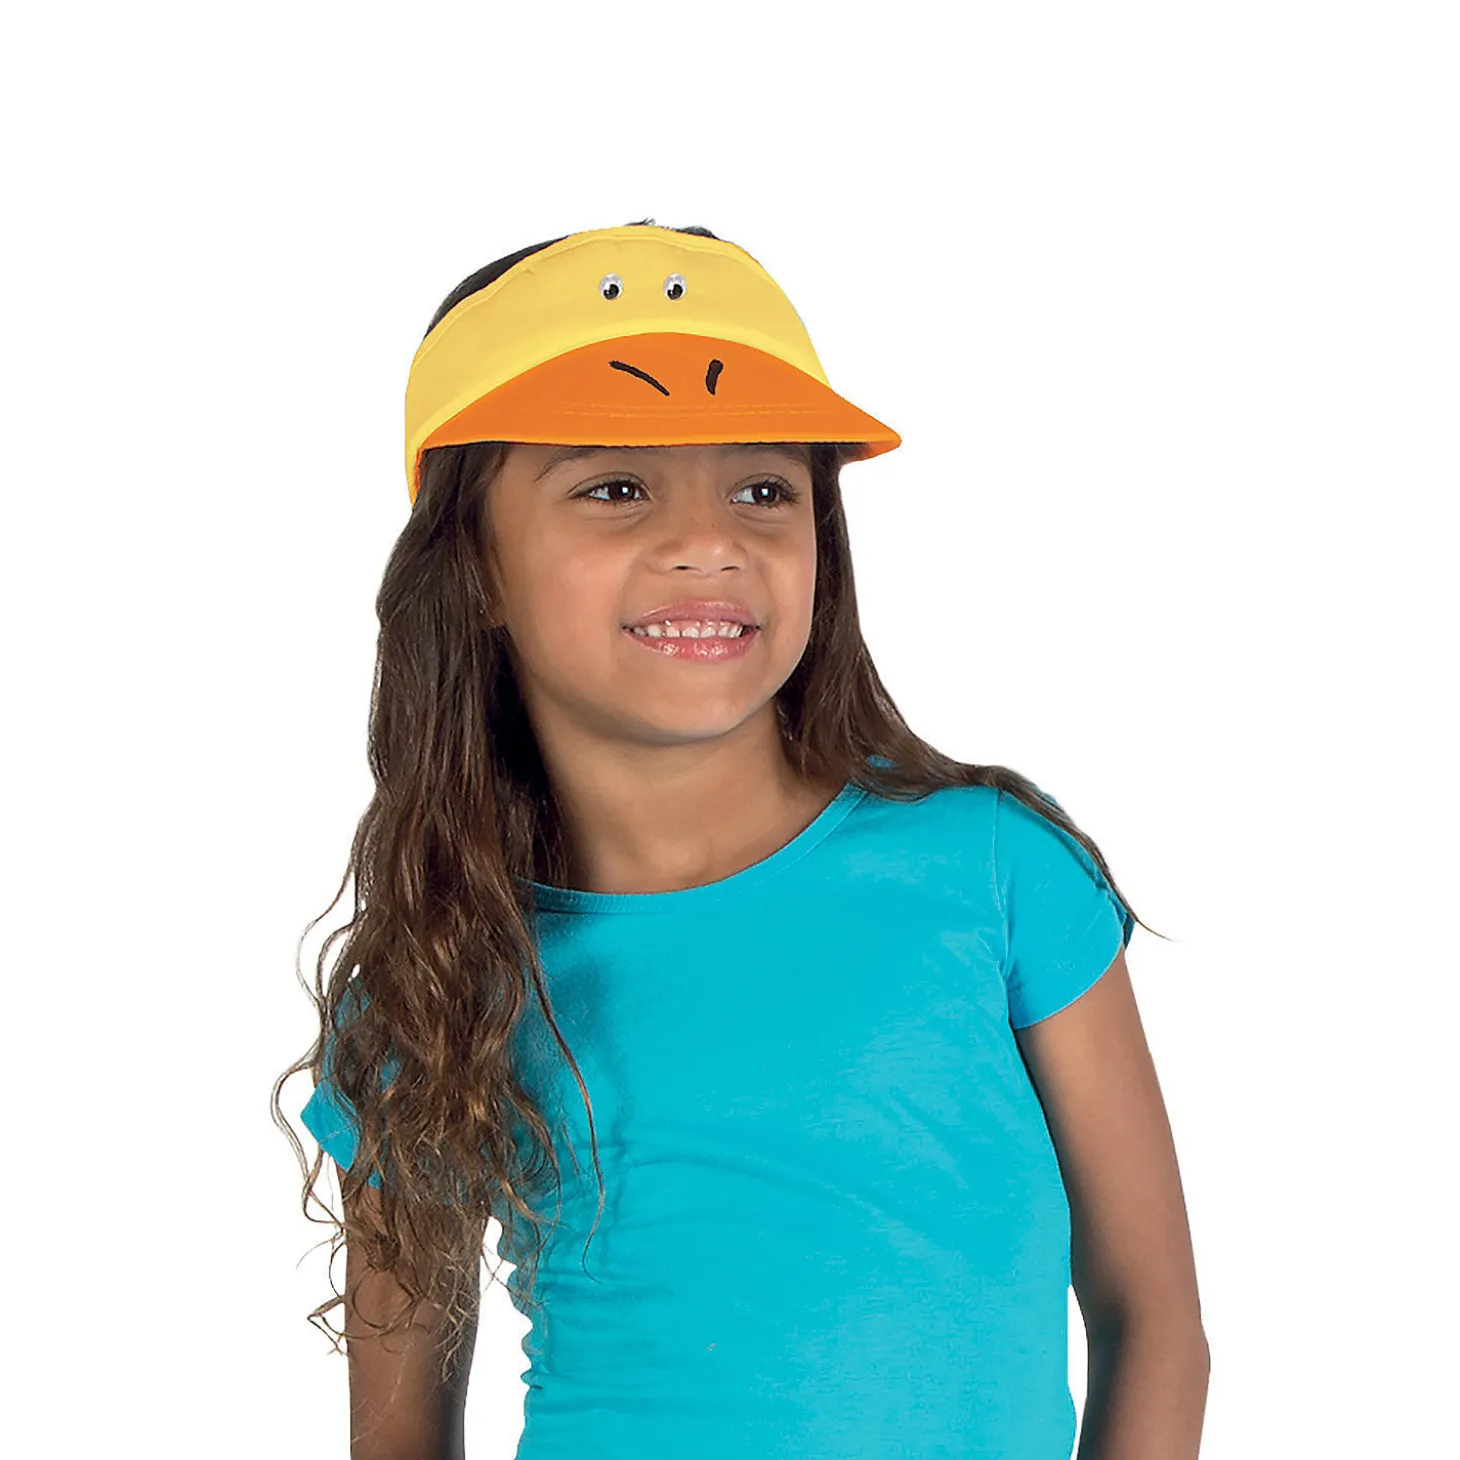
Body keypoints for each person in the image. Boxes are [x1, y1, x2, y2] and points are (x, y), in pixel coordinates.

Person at [277, 220, 1210, 1460]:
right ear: (476, 568)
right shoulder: (442, 972)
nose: (708, 539)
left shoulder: (995, 870)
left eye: (763, 488)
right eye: (615, 486)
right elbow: (398, 1439)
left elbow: (1154, 1323)